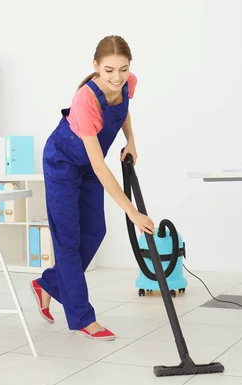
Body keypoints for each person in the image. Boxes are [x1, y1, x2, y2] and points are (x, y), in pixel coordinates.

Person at [30, 35, 155, 340]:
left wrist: (131, 141)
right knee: (68, 240)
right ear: (96, 66)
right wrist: (132, 212)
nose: (117, 77)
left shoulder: (128, 81)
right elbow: (100, 167)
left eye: (123, 69)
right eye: (109, 70)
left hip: (87, 164)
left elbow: (123, 109)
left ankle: (48, 283)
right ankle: (83, 318)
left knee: (95, 231)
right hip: (63, 163)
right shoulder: (85, 99)